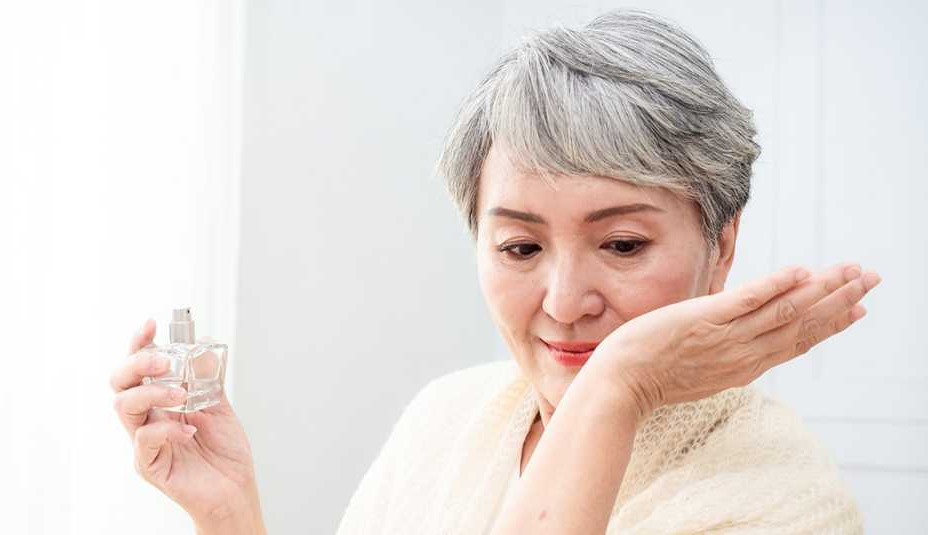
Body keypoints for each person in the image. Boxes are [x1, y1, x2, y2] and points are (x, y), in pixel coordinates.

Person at [110, 8, 879, 534]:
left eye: (621, 245)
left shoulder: (784, 498)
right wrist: (230, 514)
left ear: (723, 244)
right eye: (520, 248)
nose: (565, 302)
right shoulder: (447, 419)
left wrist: (616, 389)